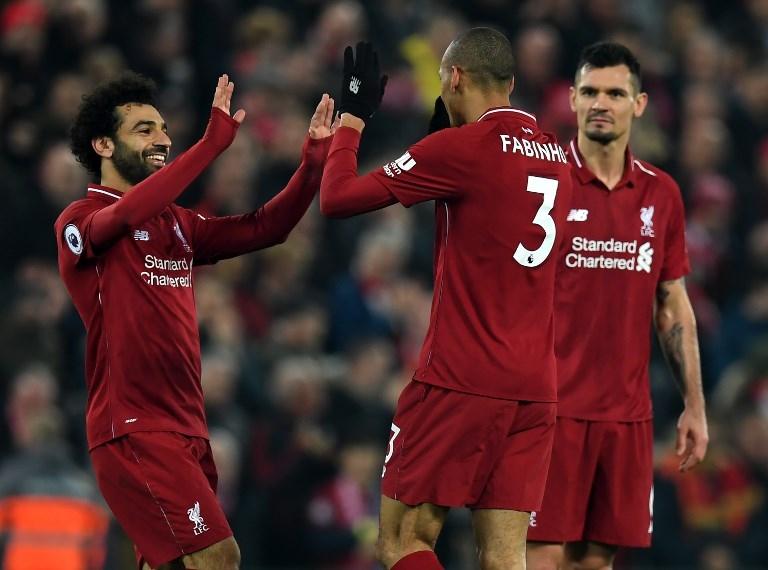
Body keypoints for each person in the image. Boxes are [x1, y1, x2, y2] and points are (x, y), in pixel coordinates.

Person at [55, 71, 335, 570]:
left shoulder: (177, 224)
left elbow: (267, 227)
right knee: (218, 557)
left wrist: (312, 164)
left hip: (188, 426)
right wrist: (209, 147)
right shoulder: (79, 220)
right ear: (102, 144)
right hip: (134, 427)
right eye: (144, 129)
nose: (162, 138)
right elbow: (121, 220)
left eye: (163, 128)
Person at [320, 29, 573, 570]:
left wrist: (352, 121)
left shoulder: (463, 148)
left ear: (454, 77)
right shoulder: (557, 156)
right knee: (505, 555)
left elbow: (336, 198)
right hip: (535, 387)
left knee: (402, 538)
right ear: (509, 82)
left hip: (462, 376)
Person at [526, 42, 709, 570]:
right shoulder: (543, 184)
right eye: (588, 92)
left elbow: (672, 303)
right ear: (572, 101)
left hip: (626, 420)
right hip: (549, 415)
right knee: (539, 559)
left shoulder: (662, 194)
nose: (600, 103)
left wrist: (694, 405)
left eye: (614, 92)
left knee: (595, 563)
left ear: (640, 103)